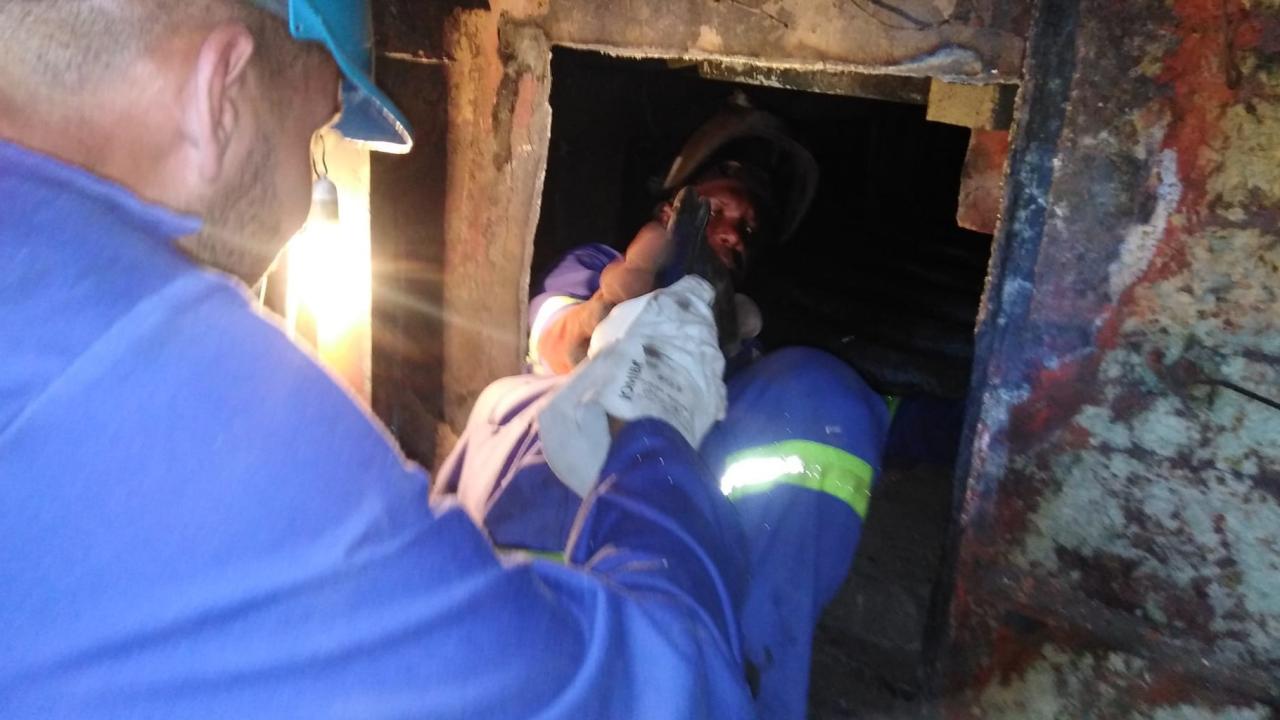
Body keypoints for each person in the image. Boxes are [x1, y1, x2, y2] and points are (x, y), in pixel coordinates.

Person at [0, 1, 757, 716]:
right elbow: (654, 696)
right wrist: (651, 430)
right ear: (218, 93)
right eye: (315, 135)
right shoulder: (191, 395)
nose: (306, 192)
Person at [435, 104, 892, 719]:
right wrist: (621, 296)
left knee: (822, 394)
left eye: (749, 228)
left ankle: (738, 678)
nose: (734, 232)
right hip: (582, 471)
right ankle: (526, 655)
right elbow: (554, 340)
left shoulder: (745, 339)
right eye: (719, 210)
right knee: (519, 408)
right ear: (668, 212)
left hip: (682, 499)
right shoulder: (600, 266)